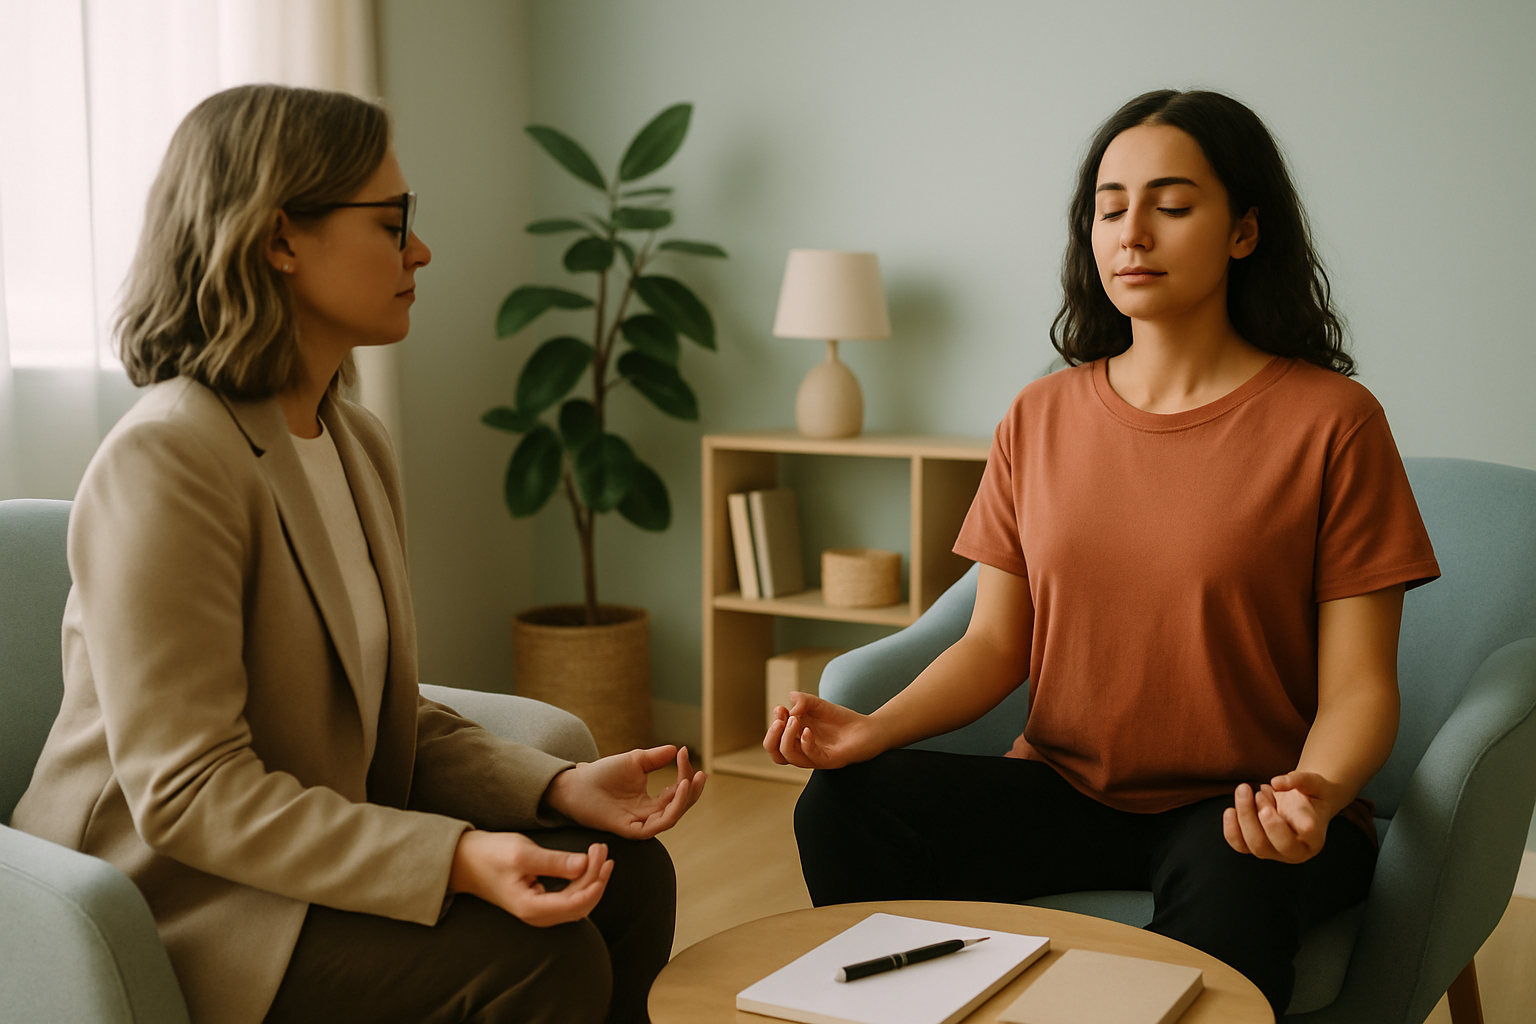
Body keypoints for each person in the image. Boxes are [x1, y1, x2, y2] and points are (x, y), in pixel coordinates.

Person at [9, 84, 703, 1024]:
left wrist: (558, 785)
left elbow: (378, 717)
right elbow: (188, 792)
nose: (420, 250)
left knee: (628, 880)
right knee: (542, 964)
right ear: (280, 238)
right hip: (173, 895)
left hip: (290, 855)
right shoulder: (166, 459)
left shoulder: (352, 440)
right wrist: (454, 856)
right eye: (392, 222)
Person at [767, 88, 1440, 1014]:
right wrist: (873, 730)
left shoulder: (1332, 423)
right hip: (1062, 790)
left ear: (1245, 231)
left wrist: (1313, 798)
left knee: (1230, 900)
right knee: (845, 807)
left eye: (1170, 205)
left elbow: (1362, 685)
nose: (1133, 234)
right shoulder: (1039, 416)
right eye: (1110, 207)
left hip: (1240, 807)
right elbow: (993, 644)